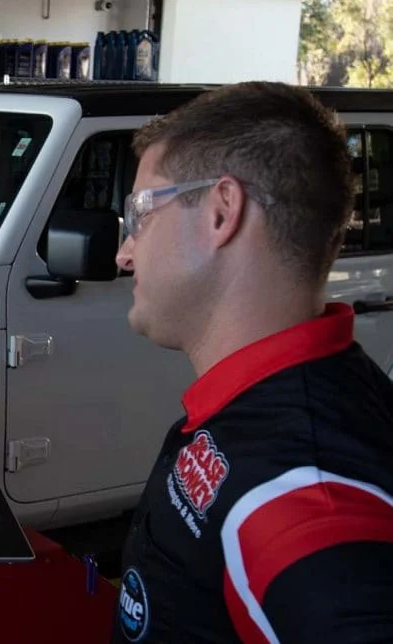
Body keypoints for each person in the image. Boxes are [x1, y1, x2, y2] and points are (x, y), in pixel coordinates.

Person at [111, 81, 393, 643]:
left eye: (140, 213)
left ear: (221, 212)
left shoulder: (303, 500)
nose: (124, 253)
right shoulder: (290, 401)